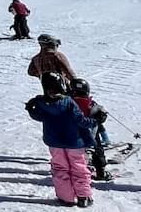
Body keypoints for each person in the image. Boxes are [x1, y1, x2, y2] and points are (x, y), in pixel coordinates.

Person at [27, 71, 96, 207]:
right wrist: (94, 121)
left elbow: (39, 117)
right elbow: (80, 120)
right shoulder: (68, 102)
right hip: (74, 142)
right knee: (79, 168)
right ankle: (83, 197)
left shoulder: (41, 102)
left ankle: (66, 198)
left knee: (60, 168)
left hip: (55, 143)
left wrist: (31, 109)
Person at [68, 78, 111, 181]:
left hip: (71, 134)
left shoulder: (67, 102)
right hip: (90, 133)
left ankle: (72, 171)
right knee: (98, 151)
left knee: (72, 153)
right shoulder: (90, 103)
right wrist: (101, 116)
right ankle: (100, 172)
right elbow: (101, 116)